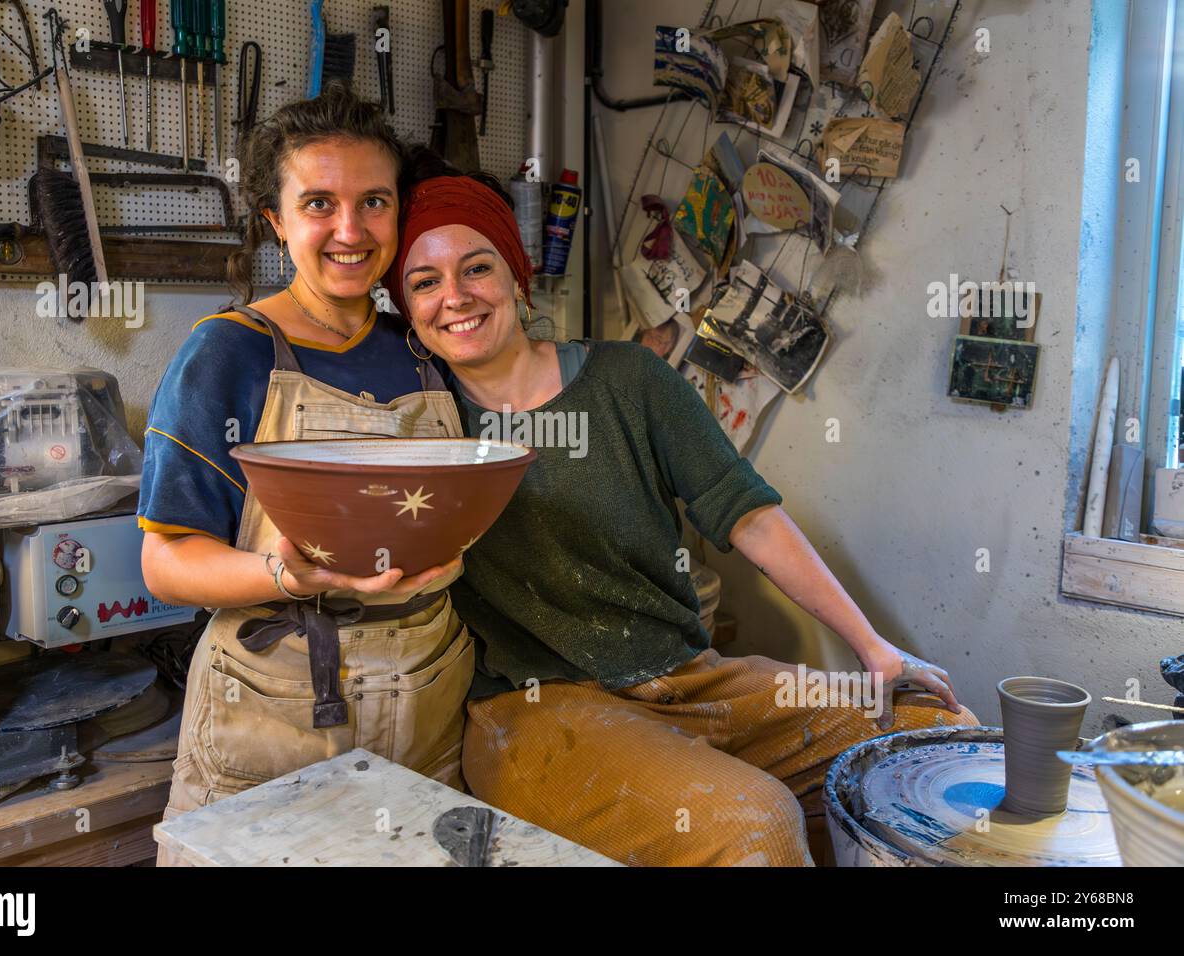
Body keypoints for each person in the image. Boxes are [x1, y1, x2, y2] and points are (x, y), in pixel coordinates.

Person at [384, 168, 981, 866]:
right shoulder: (424, 425)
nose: (454, 296)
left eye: (476, 267)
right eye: (424, 283)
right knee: (753, 824)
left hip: (692, 678)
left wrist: (873, 646)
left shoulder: (628, 380)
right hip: (541, 713)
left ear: (517, 276)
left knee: (934, 736)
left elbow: (749, 516)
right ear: (407, 307)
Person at [138, 89, 473, 865]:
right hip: (274, 711)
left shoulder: (425, 347)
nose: (350, 231)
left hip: (427, 699)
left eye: (374, 202)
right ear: (276, 221)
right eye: (319, 203)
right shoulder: (228, 353)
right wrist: (282, 575)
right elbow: (164, 562)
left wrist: (460, 552)